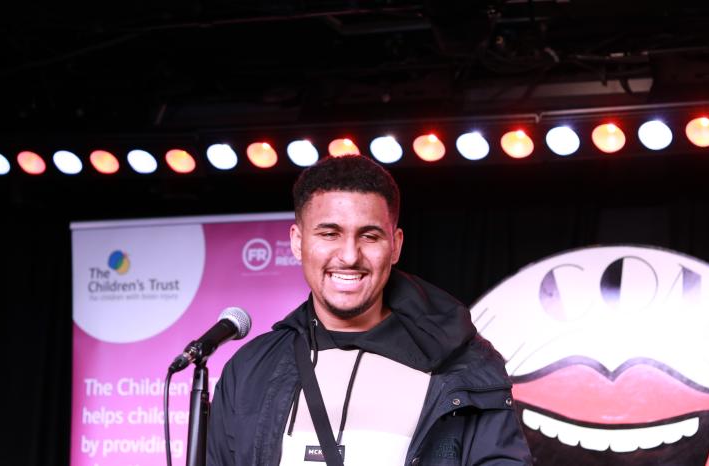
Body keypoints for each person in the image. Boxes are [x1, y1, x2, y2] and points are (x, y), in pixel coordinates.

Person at [207, 154, 532, 465]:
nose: (349, 255)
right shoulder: (249, 369)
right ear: (297, 241)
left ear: (396, 245)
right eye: (329, 233)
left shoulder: (467, 367)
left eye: (369, 236)